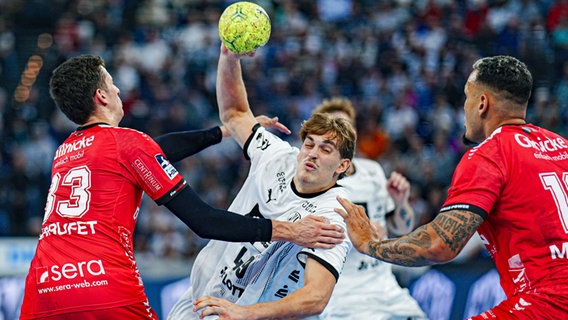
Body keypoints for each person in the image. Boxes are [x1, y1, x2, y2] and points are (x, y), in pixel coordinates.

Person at [19, 55, 345, 319]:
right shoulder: (128, 144)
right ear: (101, 96)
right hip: (101, 284)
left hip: (42, 289)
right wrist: (291, 231)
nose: (119, 91)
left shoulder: (65, 152)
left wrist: (221, 133)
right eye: (113, 84)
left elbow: (152, 150)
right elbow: (204, 222)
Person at [335, 55, 568, 319]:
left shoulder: (489, 154)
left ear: (482, 103)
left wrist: (369, 244)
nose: (464, 107)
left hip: (546, 302)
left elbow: (439, 244)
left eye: (467, 96)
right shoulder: (561, 146)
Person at [167, 44, 356, 320]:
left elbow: (316, 297)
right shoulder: (276, 155)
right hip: (200, 300)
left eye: (325, 149)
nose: (312, 154)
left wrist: (246, 313)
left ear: (342, 166)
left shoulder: (332, 216)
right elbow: (234, 114)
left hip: (250, 315)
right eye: (309, 145)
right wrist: (229, 58)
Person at [312, 97, 427, 320]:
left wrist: (401, 201)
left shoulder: (372, 170)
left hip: (388, 290)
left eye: (344, 128)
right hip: (347, 297)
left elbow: (401, 227)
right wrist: (361, 232)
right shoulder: (315, 184)